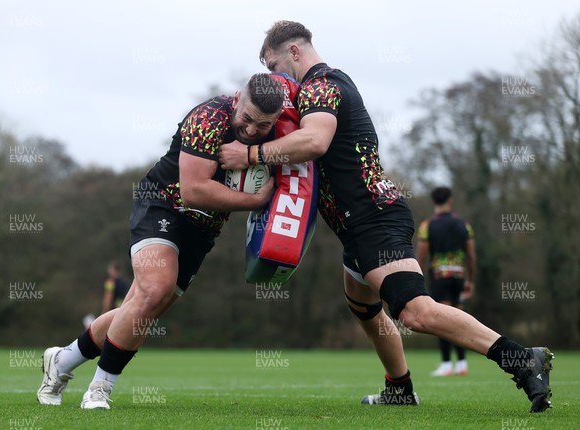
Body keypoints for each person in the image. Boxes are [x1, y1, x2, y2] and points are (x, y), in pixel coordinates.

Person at [218, 21, 553, 412]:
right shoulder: (327, 85)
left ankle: (520, 359)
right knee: (362, 304)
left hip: (372, 217)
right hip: (358, 222)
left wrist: (249, 156)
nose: (276, 78)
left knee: (414, 310)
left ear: (294, 52)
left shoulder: (320, 86)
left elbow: (314, 141)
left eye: (275, 66)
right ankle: (400, 387)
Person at [37, 73, 284, 409]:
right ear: (237, 98)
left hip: (203, 230)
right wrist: (256, 201)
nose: (253, 131)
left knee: (142, 308)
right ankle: (99, 389)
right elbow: (193, 191)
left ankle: (62, 362)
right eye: (247, 119)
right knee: (155, 289)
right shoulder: (209, 117)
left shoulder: (275, 135)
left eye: (264, 126)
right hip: (162, 204)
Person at [417, 187, 476, 376]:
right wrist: (471, 280)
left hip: (439, 277)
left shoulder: (427, 226)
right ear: (450, 200)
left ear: (434, 202)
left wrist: (417, 280)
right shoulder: (464, 225)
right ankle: (462, 363)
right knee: (459, 318)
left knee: (442, 319)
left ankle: (445, 364)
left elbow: (421, 256)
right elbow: (471, 256)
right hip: (458, 276)